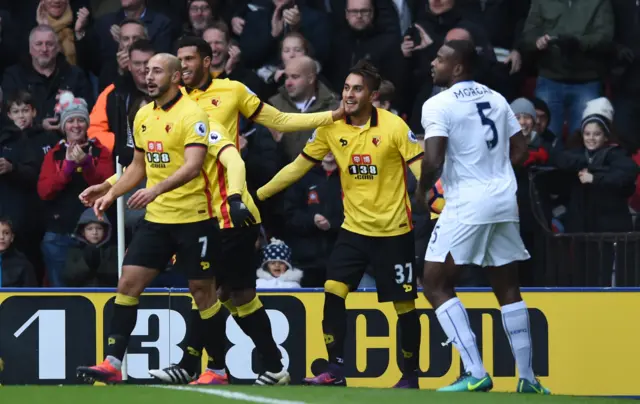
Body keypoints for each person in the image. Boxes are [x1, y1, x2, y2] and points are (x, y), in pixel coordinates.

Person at [257, 60, 424, 388]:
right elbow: (297, 167)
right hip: (353, 230)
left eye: (357, 89)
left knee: (404, 304)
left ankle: (411, 375)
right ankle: (335, 368)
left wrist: (438, 202)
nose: (348, 94)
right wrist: (259, 195)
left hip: (394, 231)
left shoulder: (393, 127)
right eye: (346, 87)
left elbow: (420, 170)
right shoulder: (331, 127)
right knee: (333, 291)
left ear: (372, 95)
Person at [76, 53, 225, 384]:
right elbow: (138, 167)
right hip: (157, 220)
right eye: (146, 71)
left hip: (194, 217)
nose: (148, 75)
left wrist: (155, 190)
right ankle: (113, 363)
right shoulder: (143, 115)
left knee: (203, 292)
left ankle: (217, 368)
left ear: (175, 77)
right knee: (128, 283)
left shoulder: (193, 114)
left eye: (157, 70)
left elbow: (193, 165)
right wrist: (109, 190)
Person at [417, 39, 550, 394]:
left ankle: (475, 371)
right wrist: (495, 173)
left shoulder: (437, 104)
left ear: (457, 67)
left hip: (467, 203)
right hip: (504, 200)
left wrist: (420, 193)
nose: (433, 62)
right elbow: (521, 148)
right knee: (507, 286)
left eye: (440, 58)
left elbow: (432, 160)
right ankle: (529, 379)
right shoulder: (496, 98)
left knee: (434, 282)